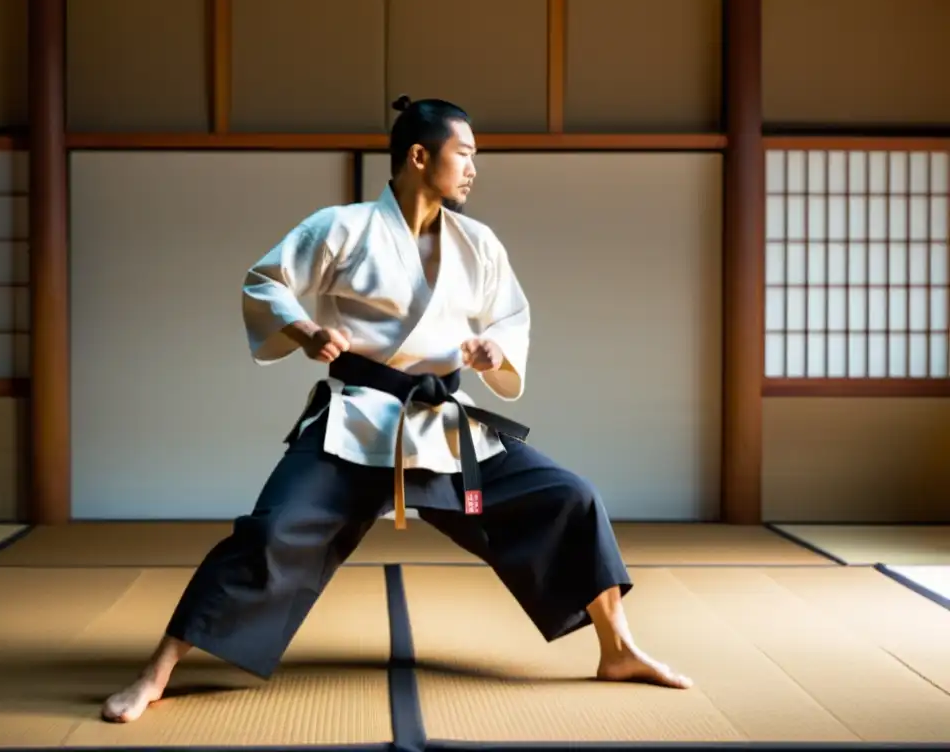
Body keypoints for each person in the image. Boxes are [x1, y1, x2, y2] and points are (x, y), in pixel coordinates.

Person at [101, 95, 692, 723]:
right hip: (355, 423)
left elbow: (511, 317)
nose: (473, 169)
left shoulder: (478, 243)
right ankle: (157, 670)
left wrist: (494, 349)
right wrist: (305, 331)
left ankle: (618, 648)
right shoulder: (343, 227)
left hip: (442, 427)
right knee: (272, 532)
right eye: (464, 154)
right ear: (418, 155)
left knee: (569, 498)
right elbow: (264, 282)